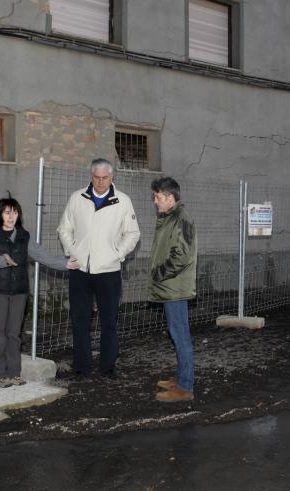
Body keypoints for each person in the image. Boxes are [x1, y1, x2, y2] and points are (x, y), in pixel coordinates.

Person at [57, 159, 140, 378]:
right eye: (97, 177)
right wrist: (73, 252)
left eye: (105, 177)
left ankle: (108, 366)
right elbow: (64, 228)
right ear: (91, 176)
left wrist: (117, 254)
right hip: (80, 270)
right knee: (80, 321)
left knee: (109, 321)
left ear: (112, 177)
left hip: (109, 271)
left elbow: (132, 234)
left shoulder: (122, 201)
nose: (101, 182)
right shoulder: (77, 198)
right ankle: (81, 367)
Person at [0, 197, 78, 387]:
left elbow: (43, 256)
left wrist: (65, 263)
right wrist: (4, 260)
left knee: (14, 334)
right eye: (7, 212)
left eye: (15, 212)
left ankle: (15, 372)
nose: (11, 217)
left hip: (19, 291)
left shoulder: (24, 236)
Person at [148, 177, 198, 403]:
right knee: (177, 334)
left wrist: (159, 273)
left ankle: (185, 387)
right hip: (171, 287)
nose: (155, 201)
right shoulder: (170, 217)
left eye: (157, 197)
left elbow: (182, 256)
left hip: (175, 288)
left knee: (181, 336)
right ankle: (180, 378)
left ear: (170, 198)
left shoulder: (181, 219)